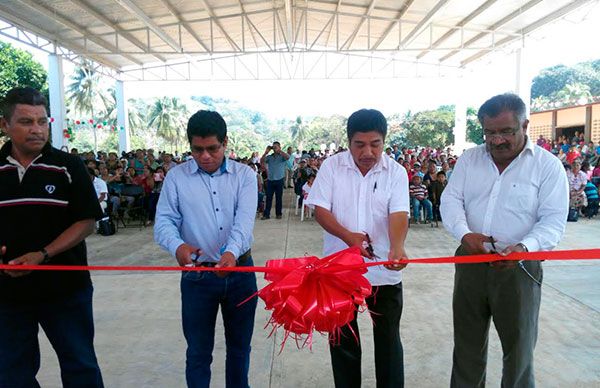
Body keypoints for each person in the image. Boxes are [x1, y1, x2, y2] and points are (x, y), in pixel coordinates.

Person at [441, 93, 569, 388]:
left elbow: (552, 221)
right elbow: (451, 201)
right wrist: (464, 234)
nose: (497, 140)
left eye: (506, 132)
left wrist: (525, 248)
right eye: (490, 132)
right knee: (467, 346)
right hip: (470, 260)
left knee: (519, 349)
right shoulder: (470, 160)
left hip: (519, 269)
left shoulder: (546, 167)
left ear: (525, 125)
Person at [0, 87, 104, 387]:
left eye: (42, 121)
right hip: (8, 294)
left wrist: (43, 254)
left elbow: (86, 222)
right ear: (5, 125)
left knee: (80, 366)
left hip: (66, 290)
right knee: (11, 372)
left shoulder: (68, 167)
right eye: (26, 122)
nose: (36, 129)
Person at [306, 108, 409, 388]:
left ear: (384, 142)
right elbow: (320, 210)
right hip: (339, 272)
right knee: (342, 342)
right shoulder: (332, 167)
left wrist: (397, 248)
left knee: (388, 341)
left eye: (375, 144)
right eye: (360, 144)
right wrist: (348, 237)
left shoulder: (396, 172)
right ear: (349, 142)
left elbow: (399, 213)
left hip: (384, 272)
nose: (368, 152)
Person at [154, 110, 258, 388]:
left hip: (240, 274)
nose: (205, 156)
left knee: (239, 350)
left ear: (225, 142)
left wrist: (230, 253)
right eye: (197, 150)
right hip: (197, 277)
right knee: (198, 353)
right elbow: (163, 221)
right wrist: (177, 246)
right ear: (190, 146)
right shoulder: (176, 178)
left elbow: (244, 222)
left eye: (212, 149)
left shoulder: (245, 176)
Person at [260, 141, 289, 220]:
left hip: (279, 179)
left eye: (276, 147)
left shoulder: (282, 157)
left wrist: (279, 151)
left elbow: (287, 157)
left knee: (278, 198)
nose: (274, 148)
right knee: (268, 197)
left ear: (279, 147)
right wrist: (265, 152)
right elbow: (261, 161)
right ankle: (266, 214)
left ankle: (278, 214)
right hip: (270, 180)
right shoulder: (269, 157)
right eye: (274, 147)